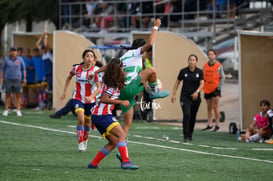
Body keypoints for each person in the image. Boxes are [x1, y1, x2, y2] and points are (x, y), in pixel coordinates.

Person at [92, 18, 169, 161]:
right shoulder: (135, 53)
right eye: (148, 51)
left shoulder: (125, 56)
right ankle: (153, 93)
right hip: (127, 90)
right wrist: (156, 27)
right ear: (142, 48)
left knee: (126, 126)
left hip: (123, 94)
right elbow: (151, 42)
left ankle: (123, 152)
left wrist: (95, 72)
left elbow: (110, 66)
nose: (149, 52)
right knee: (151, 70)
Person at [87, 58, 138, 170]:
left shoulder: (108, 78)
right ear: (118, 69)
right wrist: (121, 102)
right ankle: (126, 162)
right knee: (122, 135)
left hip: (97, 115)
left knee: (114, 142)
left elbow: (109, 66)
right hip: (102, 115)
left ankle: (93, 164)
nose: (124, 70)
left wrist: (95, 72)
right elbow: (104, 99)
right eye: (122, 68)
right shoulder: (112, 85)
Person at [61, 49, 101, 152]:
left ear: (93, 59)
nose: (89, 58)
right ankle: (80, 143)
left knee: (88, 124)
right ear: (83, 58)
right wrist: (64, 91)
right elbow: (69, 77)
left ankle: (85, 140)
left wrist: (91, 96)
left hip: (90, 101)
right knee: (81, 119)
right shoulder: (76, 69)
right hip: (78, 98)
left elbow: (98, 88)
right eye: (87, 56)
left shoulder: (95, 71)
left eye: (91, 56)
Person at [171, 54, 204, 142]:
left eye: (193, 60)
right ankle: (185, 135)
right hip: (185, 97)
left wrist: (197, 92)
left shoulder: (199, 72)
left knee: (193, 116)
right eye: (190, 60)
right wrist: (174, 94)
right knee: (187, 114)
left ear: (196, 62)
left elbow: (202, 83)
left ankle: (190, 134)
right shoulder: (183, 71)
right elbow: (177, 82)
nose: (191, 61)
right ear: (188, 61)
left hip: (195, 98)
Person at [202, 49, 225, 132]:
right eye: (209, 54)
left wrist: (219, 87)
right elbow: (203, 77)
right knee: (209, 107)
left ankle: (217, 124)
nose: (210, 56)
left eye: (212, 54)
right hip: (207, 88)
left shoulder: (219, 65)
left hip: (215, 89)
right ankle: (209, 124)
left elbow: (222, 77)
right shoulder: (205, 66)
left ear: (215, 55)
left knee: (215, 107)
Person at [0, 47, 26, 116]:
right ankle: (6, 110)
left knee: (18, 95)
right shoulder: (6, 59)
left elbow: (23, 69)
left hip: (17, 79)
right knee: (8, 95)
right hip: (8, 79)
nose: (14, 52)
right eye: (12, 51)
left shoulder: (20, 59)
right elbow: (2, 69)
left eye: (15, 51)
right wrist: (1, 78)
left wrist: (24, 78)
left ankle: (18, 110)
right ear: (10, 52)